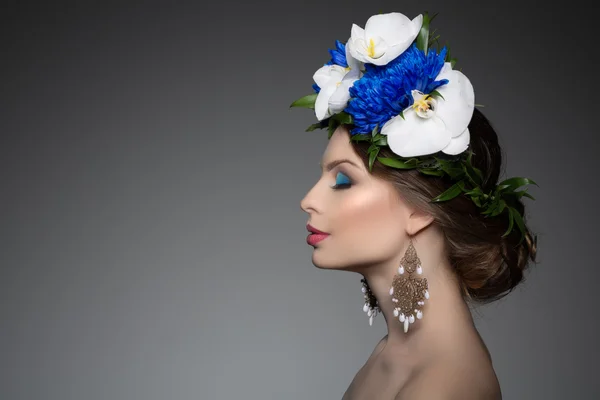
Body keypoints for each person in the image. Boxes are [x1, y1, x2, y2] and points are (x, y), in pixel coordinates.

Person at [293, 11, 538, 400]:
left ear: (421, 208)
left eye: (343, 180)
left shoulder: (445, 386)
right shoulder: (391, 356)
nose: (308, 200)